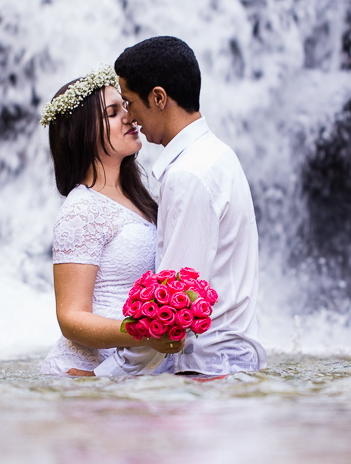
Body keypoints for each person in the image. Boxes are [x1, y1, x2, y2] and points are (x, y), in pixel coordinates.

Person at [95, 36, 267, 376]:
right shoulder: (218, 154)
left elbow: (171, 307)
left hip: (206, 370)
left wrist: (105, 378)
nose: (129, 117)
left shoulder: (188, 175)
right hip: (229, 361)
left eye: (129, 102)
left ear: (158, 98)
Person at [39, 67, 183, 376]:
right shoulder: (81, 209)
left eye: (126, 107)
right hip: (86, 377)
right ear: (83, 131)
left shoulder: (142, 198)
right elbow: (71, 317)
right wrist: (143, 333)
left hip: (131, 370)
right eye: (112, 113)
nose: (130, 117)